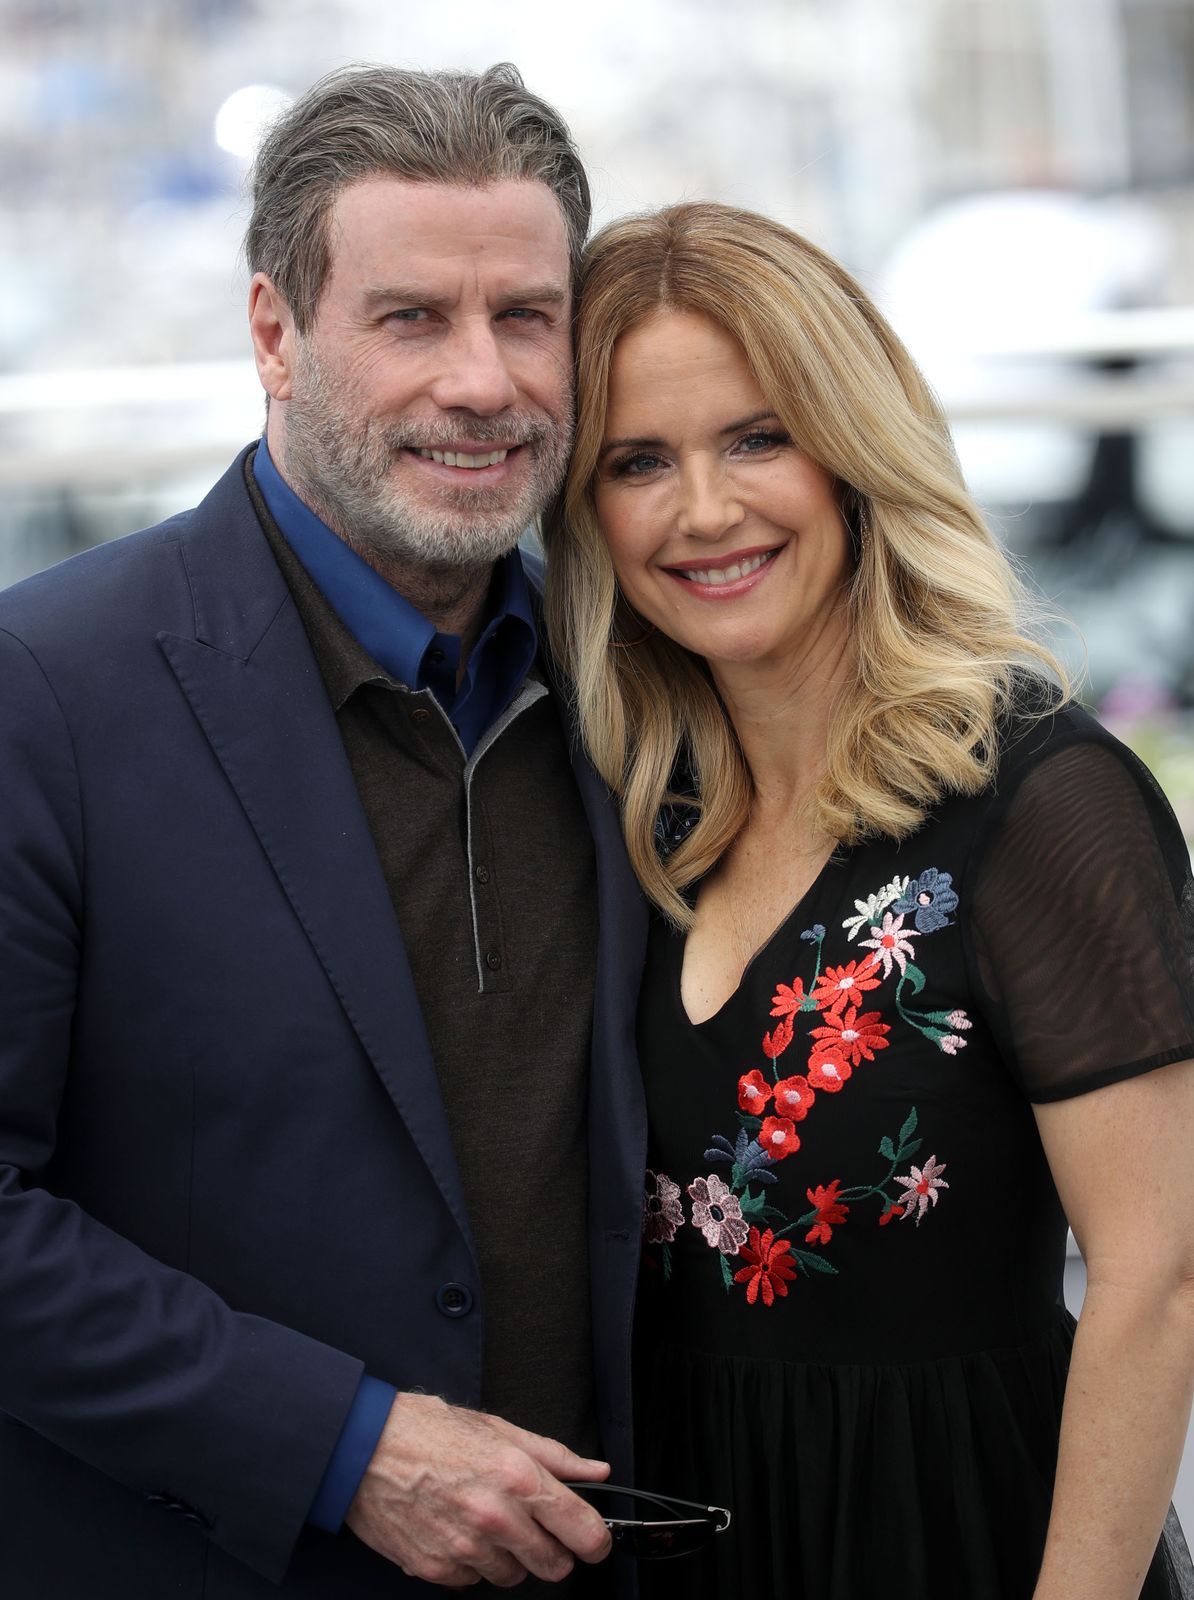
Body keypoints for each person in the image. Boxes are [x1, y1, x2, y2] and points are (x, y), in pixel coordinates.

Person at [0, 65, 649, 1598]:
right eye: (410, 317)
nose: (482, 382)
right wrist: (342, 1446)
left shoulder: (644, 672)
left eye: (526, 316)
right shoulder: (45, 688)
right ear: (275, 334)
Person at [544, 200, 1194, 1599]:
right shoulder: (627, 813)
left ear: (851, 449)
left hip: (964, 1534)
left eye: (757, 437)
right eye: (635, 461)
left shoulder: (1036, 799)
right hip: (690, 1540)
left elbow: (1160, 1280)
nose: (703, 510)